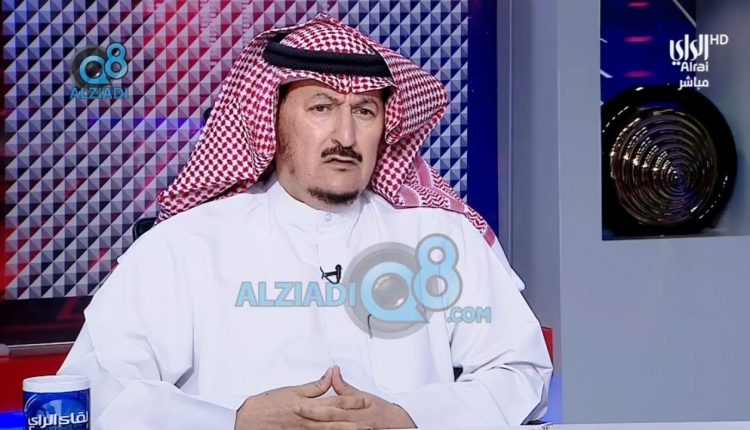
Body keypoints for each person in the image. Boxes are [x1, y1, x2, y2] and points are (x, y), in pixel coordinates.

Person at [59, 14, 552, 429]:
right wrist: (234, 421)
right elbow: (96, 390)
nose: (346, 136)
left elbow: (521, 372)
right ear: (271, 121)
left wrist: (409, 417)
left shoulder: (441, 236)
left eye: (364, 111)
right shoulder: (185, 245)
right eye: (321, 107)